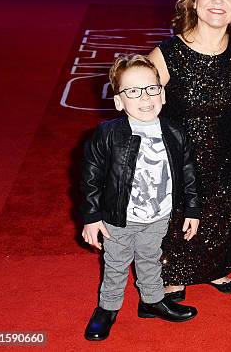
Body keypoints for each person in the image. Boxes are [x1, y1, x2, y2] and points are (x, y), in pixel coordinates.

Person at [148, 0, 231, 301]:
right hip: (178, 155)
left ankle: (215, 267)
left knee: (222, 207)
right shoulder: (166, 55)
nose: (219, 1)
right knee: (178, 214)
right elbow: (141, 115)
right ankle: (172, 270)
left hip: (225, 153)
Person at [80, 55, 201, 341]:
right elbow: (90, 178)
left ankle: (151, 301)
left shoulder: (175, 131)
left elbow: (189, 172)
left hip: (159, 215)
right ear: (119, 101)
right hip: (119, 218)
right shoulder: (107, 134)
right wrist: (91, 216)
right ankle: (107, 308)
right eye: (133, 91)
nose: (144, 98)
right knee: (116, 264)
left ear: (162, 93)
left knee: (151, 258)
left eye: (151, 89)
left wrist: (193, 209)